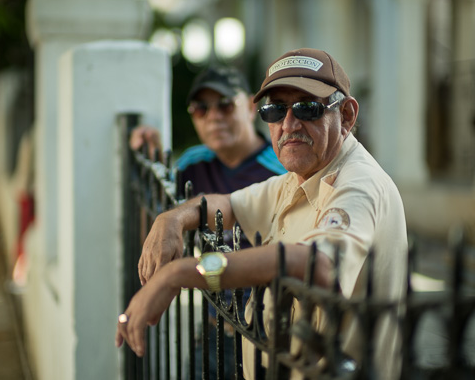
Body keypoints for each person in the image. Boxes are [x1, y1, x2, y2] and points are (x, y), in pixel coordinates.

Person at [117, 48, 408, 379]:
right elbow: (228, 205)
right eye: (275, 110)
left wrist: (185, 272)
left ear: (346, 115)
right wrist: (172, 218)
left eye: (307, 108)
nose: (288, 124)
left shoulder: (358, 183)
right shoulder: (297, 178)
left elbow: (319, 264)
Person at [129, 66, 286, 379]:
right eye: (201, 108)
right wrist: (149, 155)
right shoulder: (193, 163)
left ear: (251, 107)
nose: (213, 116)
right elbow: (153, 217)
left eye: (225, 104)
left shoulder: (281, 169)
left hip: (267, 333)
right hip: (214, 326)